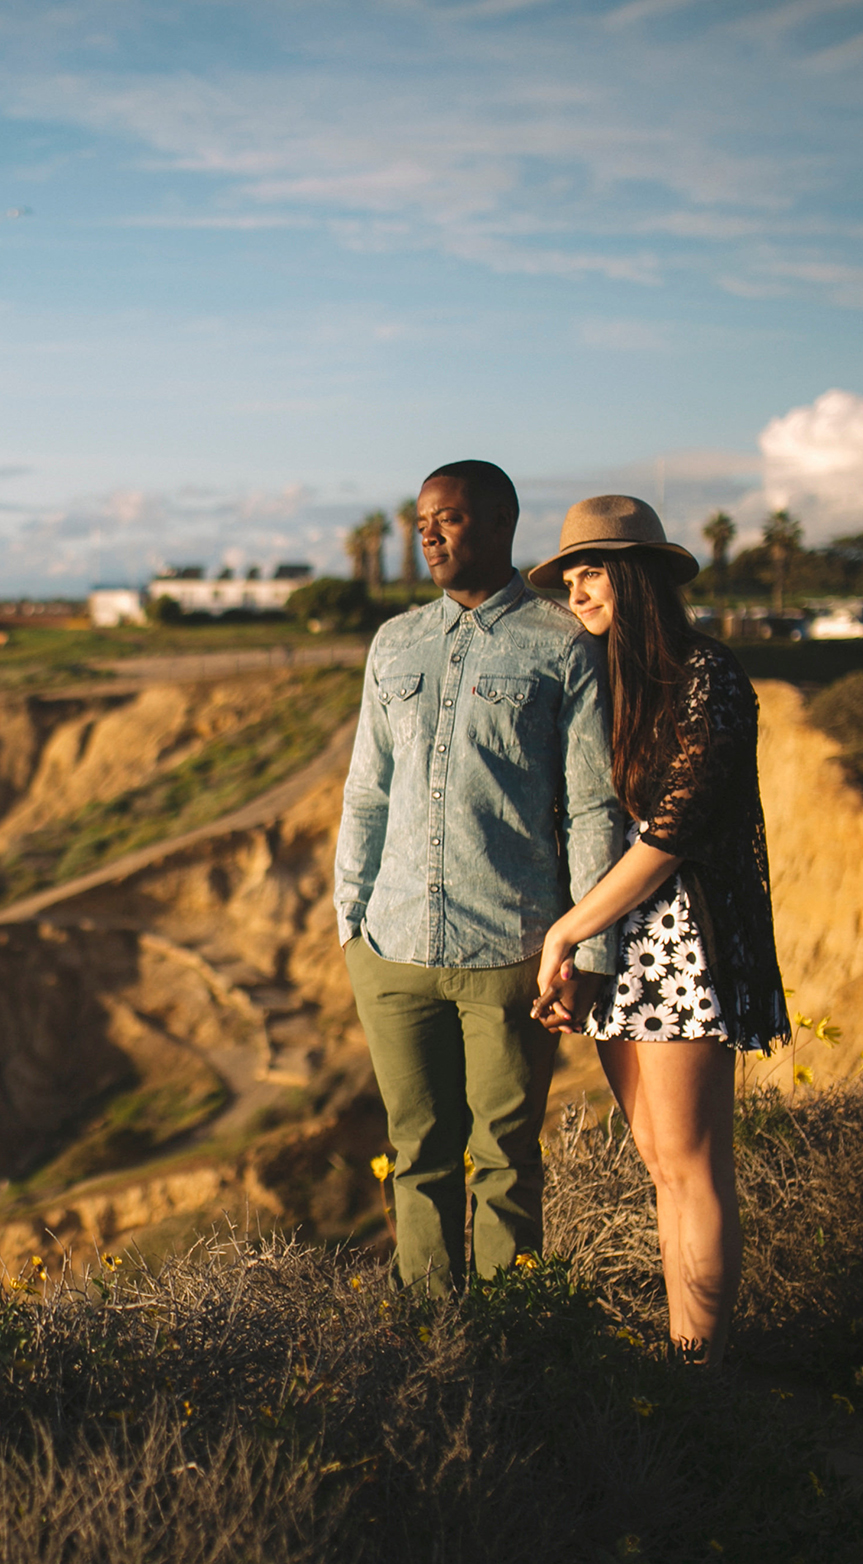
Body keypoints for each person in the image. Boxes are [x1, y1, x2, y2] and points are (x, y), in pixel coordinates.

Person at [335, 460, 630, 1293]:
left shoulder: (563, 644)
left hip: (511, 954)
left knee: (504, 1159)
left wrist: (590, 954)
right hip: (390, 950)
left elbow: (592, 809)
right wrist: (350, 923)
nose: (428, 532)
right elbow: (366, 791)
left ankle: (515, 1343)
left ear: (500, 525)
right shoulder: (393, 644)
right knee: (416, 1153)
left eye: (451, 518)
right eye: (423, 519)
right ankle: (430, 1341)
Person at [526, 494, 791, 1361]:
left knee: (691, 1161)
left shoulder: (706, 674)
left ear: (636, 576)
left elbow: (675, 827)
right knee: (657, 1158)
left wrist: (569, 930)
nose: (577, 590)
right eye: (570, 575)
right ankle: (688, 1355)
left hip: (680, 940)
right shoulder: (598, 680)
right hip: (616, 940)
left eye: (593, 570)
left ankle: (701, 1370)